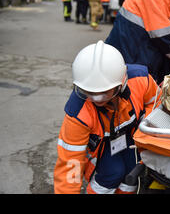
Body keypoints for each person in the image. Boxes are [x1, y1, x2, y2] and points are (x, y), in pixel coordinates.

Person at [53, 41, 160, 194]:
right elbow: (70, 165)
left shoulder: (141, 80)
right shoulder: (78, 113)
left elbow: (156, 102)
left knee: (132, 170)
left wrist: (145, 128)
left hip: (132, 136)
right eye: (88, 93)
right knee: (112, 173)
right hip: (102, 144)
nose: (97, 99)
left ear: (121, 85)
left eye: (103, 93)